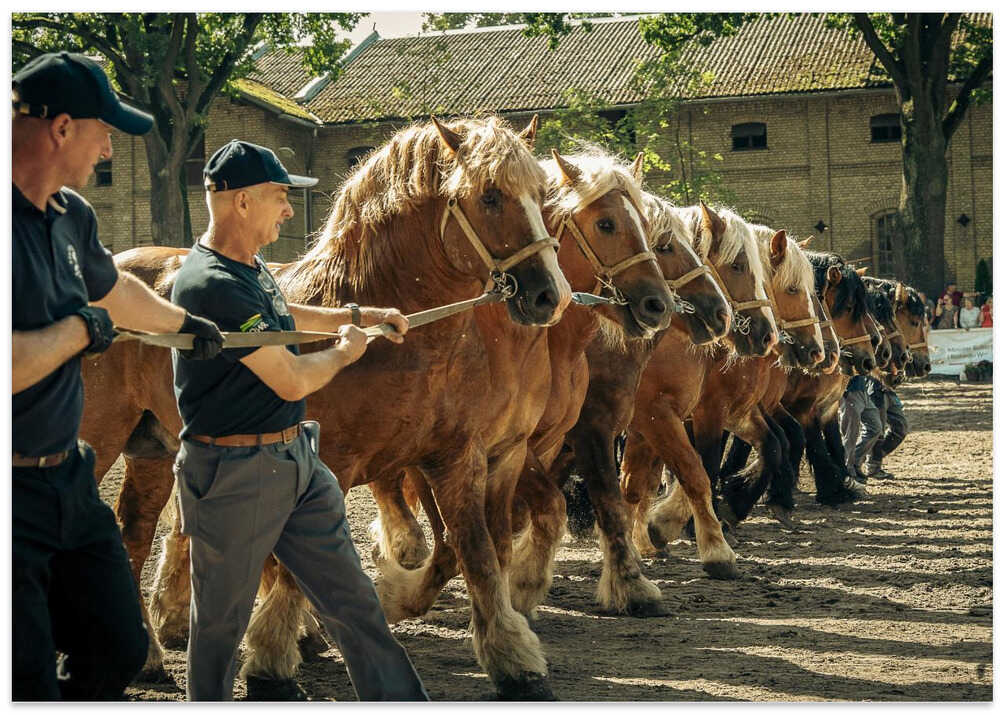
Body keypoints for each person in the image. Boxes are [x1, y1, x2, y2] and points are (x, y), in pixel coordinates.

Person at [170, 139, 429, 702]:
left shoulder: (247, 268)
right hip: (234, 472)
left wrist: (359, 316)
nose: (289, 210)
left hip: (295, 463)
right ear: (241, 203)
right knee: (219, 624)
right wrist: (345, 352)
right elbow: (290, 378)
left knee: (355, 604)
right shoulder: (211, 285)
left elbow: (283, 316)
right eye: (280, 197)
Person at [12, 52, 224, 701]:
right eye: (106, 130)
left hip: (67, 479)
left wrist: (185, 323)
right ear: (62, 128)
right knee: (21, 674)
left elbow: (116, 291)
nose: (110, 147)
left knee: (122, 644)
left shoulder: (72, 215)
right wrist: (80, 331)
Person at [838, 374, 885, 484]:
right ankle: (848, 471)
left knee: (876, 428)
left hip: (863, 391)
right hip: (849, 392)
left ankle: (855, 462)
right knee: (850, 434)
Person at [862, 386, 908, 480]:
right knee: (878, 432)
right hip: (875, 391)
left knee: (900, 428)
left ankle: (866, 458)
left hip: (889, 390)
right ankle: (873, 467)